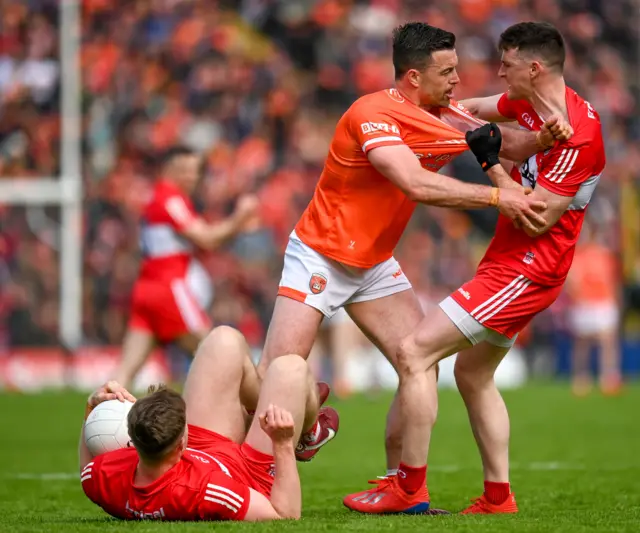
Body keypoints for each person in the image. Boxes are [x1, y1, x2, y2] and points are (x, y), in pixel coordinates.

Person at [257, 21, 570, 464]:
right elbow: (414, 183)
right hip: (320, 256)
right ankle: (285, 431)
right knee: (273, 375)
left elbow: (505, 145)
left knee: (420, 363)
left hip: (375, 264)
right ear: (413, 77)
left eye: (456, 70)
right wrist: (499, 196)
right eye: (447, 73)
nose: (457, 81)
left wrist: (542, 138)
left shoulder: (448, 114)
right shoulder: (371, 114)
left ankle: (396, 483)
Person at [343, 21, 605, 515]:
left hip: (529, 266)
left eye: (505, 65)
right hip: (509, 261)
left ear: (533, 67)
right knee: (472, 374)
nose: (497, 73)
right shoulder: (532, 105)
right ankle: (497, 499)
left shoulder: (582, 135)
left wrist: (492, 164)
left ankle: (408, 489)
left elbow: (536, 219)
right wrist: (420, 109)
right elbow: (472, 112)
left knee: (415, 352)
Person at [81, 326, 336, 521]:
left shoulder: (107, 475)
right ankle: (307, 432)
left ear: (133, 440)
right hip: (250, 474)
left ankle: (253, 413)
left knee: (222, 339)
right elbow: (285, 515)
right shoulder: (206, 490)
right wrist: (282, 444)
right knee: (290, 369)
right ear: (181, 443)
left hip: (203, 449)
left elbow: (88, 470)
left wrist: (93, 409)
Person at [114, 147, 258, 388]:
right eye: (186, 170)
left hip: (145, 289)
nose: (193, 177)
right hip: (167, 288)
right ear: (170, 169)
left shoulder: (156, 197)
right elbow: (207, 239)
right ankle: (252, 411)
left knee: (124, 371)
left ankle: (97, 418)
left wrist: (234, 227)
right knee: (218, 351)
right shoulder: (171, 199)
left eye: (195, 171)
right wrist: (240, 217)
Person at [566, 222, 622, 396]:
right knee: (582, 343)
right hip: (583, 303)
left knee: (608, 342)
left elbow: (613, 281)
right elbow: (569, 281)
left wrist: (615, 301)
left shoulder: (604, 255)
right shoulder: (576, 255)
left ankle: (609, 377)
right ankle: (581, 378)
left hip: (603, 302)